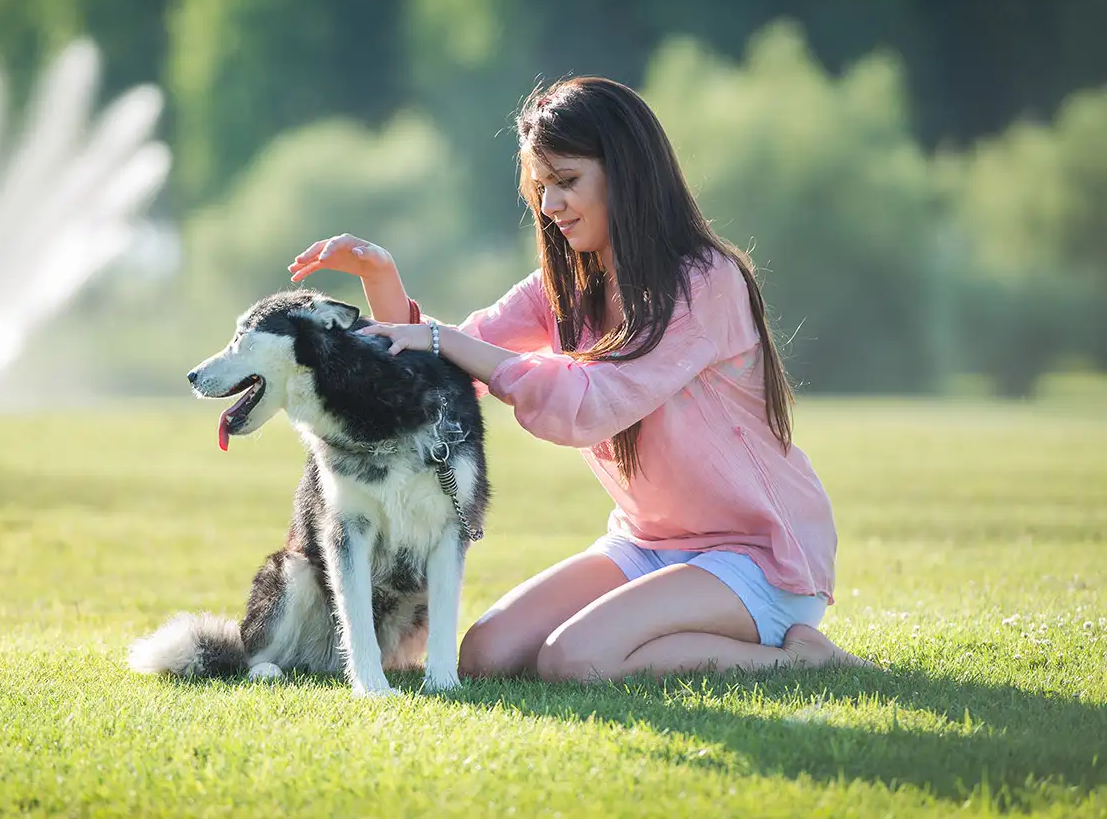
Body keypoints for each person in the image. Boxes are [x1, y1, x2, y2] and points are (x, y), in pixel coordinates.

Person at [287, 76, 872, 683]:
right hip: (647, 544)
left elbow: (592, 407)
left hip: (757, 556)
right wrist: (381, 277)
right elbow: (443, 362)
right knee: (487, 655)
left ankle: (797, 657)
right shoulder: (566, 290)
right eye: (540, 188)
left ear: (626, 173)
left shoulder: (706, 282)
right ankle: (664, 629)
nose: (549, 207)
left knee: (576, 660)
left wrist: (448, 341)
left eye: (567, 182)